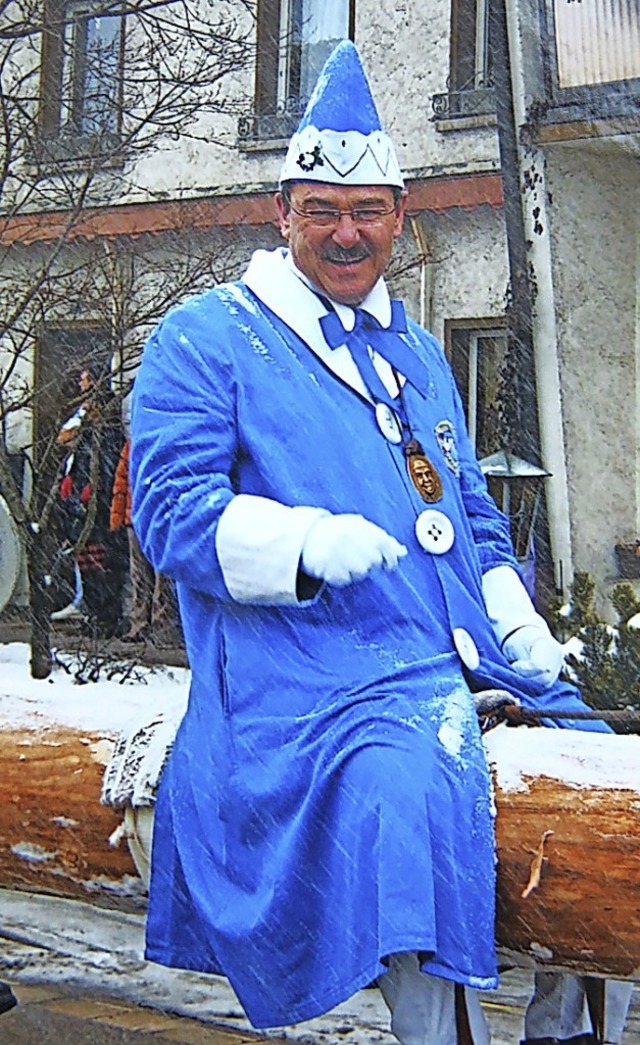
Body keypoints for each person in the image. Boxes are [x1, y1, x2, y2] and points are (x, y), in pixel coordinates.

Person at [129, 42, 631, 1045]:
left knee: (599, 765)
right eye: (323, 210)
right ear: (283, 214)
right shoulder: (205, 338)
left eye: (367, 211)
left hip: (451, 656)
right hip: (304, 683)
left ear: (400, 216)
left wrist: (512, 612)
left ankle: (573, 1027)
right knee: (409, 790)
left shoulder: (411, 351)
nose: (346, 233)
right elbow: (170, 517)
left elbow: (471, 514)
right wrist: (303, 542)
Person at [55, 367, 128, 637]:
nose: (80, 384)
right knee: (85, 556)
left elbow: (105, 457)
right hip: (81, 497)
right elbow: (65, 439)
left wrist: (93, 487)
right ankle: (92, 611)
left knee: (102, 560)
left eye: (84, 379)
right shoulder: (84, 416)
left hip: (100, 501)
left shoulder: (106, 419)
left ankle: (107, 616)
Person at [110, 437, 178, 643]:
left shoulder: (154, 441)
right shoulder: (136, 443)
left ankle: (159, 626)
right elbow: (122, 479)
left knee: (160, 576)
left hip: (156, 517)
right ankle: (142, 624)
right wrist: (118, 516)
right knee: (142, 575)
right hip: (140, 518)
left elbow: (122, 480)